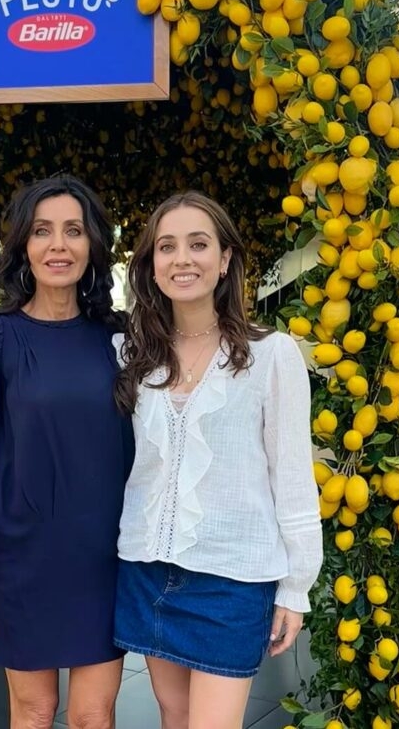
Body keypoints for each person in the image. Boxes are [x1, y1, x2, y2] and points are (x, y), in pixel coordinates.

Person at [112, 191, 322, 729]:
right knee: (173, 717)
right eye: (167, 247)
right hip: (146, 567)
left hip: (233, 576)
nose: (182, 259)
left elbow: (293, 479)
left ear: (225, 259)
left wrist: (296, 587)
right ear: (151, 265)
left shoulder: (272, 355)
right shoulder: (132, 353)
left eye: (198, 244)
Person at [0, 175, 134, 729]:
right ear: (23, 247)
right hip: (23, 554)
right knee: (33, 712)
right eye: (42, 232)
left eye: (73, 231)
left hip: (104, 553)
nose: (58, 245)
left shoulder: (123, 337)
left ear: (92, 246)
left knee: (92, 715)